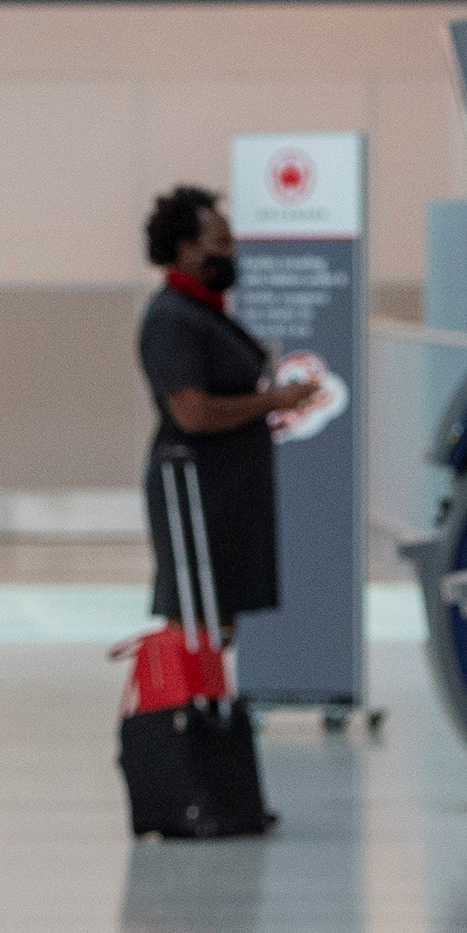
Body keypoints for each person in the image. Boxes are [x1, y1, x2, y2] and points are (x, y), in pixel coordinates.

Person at [135, 185, 309, 634]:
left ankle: (207, 702)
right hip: (195, 490)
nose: (231, 256)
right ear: (187, 249)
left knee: (220, 620)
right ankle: (183, 703)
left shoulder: (205, 313)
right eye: (222, 245)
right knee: (194, 618)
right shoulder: (171, 319)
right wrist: (272, 402)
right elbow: (191, 412)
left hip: (228, 490)